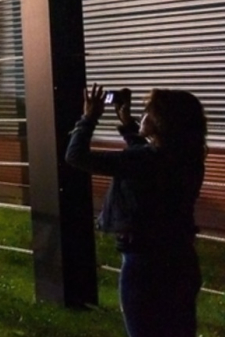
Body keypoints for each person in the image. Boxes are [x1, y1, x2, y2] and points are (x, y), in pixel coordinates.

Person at [66, 85, 206, 337]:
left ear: (162, 122)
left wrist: (88, 118)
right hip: (181, 259)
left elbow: (76, 157)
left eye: (147, 112)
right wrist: (127, 122)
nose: (143, 116)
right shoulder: (188, 158)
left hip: (144, 266)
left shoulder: (144, 161)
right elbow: (144, 154)